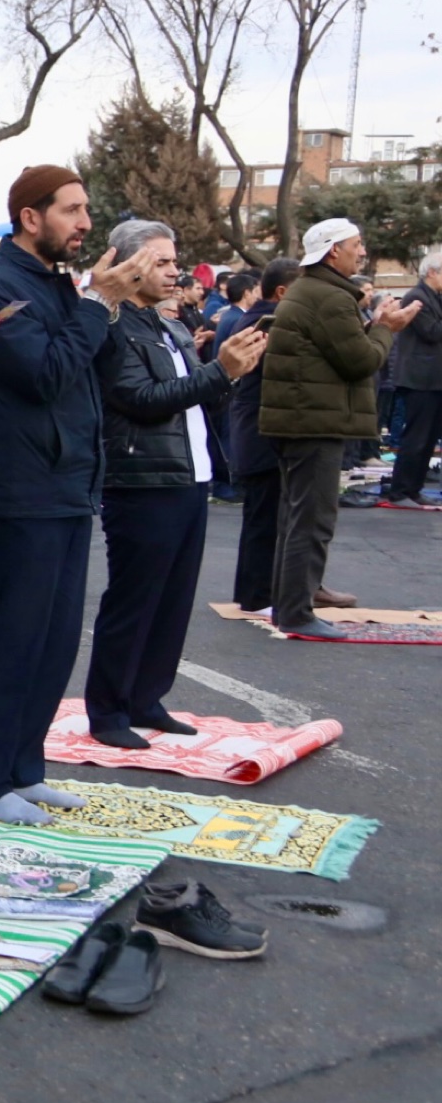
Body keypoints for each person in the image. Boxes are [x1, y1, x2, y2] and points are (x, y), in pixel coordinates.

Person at [0, 165, 152, 825]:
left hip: (69, 481)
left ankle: (23, 770)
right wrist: (95, 304)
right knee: (13, 636)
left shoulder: (58, 283)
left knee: (56, 639)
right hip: (21, 487)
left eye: (86, 210)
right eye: (71, 210)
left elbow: (96, 368)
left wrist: (110, 304)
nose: (85, 223)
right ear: (30, 217)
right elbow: (45, 375)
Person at [84, 220, 265, 748]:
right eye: (160, 261)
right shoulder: (114, 325)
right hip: (142, 479)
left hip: (189, 476)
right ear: (128, 263)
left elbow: (198, 397)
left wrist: (233, 370)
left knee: (173, 599)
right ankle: (108, 711)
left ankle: (146, 698)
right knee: (135, 598)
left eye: (173, 261)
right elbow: (139, 399)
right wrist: (220, 371)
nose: (173, 271)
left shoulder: (170, 324)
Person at [259, 218, 422, 638]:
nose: (362, 251)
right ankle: (296, 612)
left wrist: (374, 327)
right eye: (357, 244)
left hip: (302, 419)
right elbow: (361, 361)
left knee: (298, 517)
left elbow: (336, 350)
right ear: (334, 250)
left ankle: (292, 603)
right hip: (313, 422)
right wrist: (386, 329)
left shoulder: (314, 291)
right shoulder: (329, 296)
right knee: (311, 520)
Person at [225, 258, 301, 613]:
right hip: (260, 432)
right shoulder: (264, 323)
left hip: (257, 429)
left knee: (264, 516)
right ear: (282, 292)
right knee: (264, 518)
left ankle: (255, 592)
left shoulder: (261, 318)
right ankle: (257, 596)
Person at [382, 251, 442, 505]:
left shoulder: (435, 297)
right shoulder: (416, 297)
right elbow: (432, 332)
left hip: (434, 379)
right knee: (416, 438)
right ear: (432, 272)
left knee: (428, 439)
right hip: (420, 379)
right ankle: (400, 490)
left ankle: (414, 488)